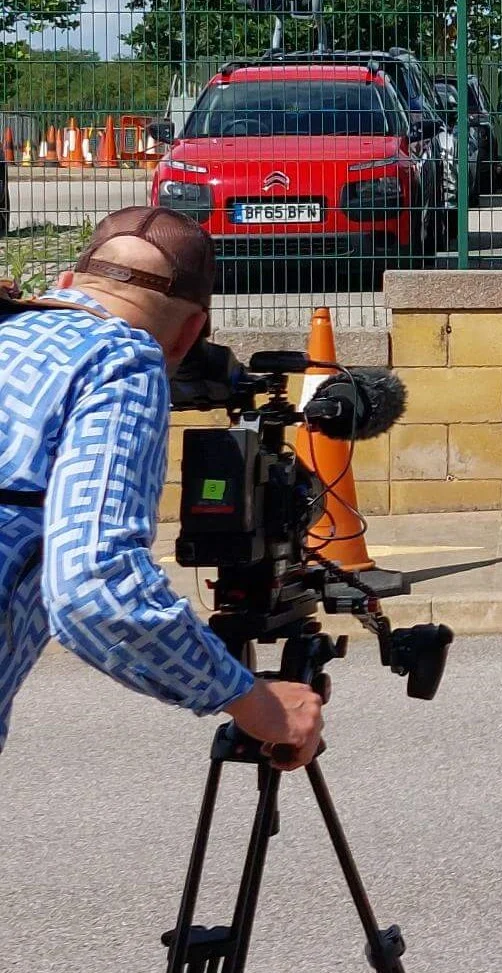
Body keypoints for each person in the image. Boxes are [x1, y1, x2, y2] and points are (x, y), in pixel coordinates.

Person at [0, 206, 323, 768]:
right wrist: (253, 701)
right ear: (191, 332)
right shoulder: (119, 359)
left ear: (66, 283)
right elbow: (95, 586)